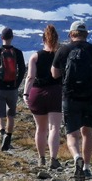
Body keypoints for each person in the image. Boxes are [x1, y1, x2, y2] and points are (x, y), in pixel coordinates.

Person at [51, 20, 92, 181]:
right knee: (87, 132)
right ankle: (86, 167)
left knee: (72, 134)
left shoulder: (63, 50)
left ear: (71, 34)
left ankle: (76, 157)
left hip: (70, 97)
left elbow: (54, 74)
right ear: (86, 34)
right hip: (90, 97)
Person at [24, 23, 64, 169]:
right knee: (54, 128)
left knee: (40, 128)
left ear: (43, 40)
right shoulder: (60, 55)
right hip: (56, 92)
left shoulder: (35, 56)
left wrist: (25, 93)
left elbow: (30, 77)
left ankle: (41, 158)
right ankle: (53, 159)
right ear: (57, 39)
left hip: (37, 93)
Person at [0, 27, 26, 151]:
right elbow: (22, 70)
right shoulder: (18, 53)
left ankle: (3, 134)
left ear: (1, 37)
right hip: (13, 88)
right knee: (11, 114)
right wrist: (17, 84)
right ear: (12, 37)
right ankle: (8, 137)